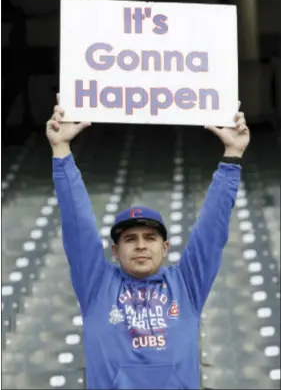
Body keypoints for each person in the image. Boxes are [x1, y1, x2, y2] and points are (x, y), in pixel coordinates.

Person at [46, 95, 250, 390]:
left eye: (150, 237)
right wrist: (61, 149)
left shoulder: (187, 285)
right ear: (115, 251)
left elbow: (212, 231)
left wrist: (232, 155)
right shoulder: (96, 285)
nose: (141, 245)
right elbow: (77, 223)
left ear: (165, 247)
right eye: (130, 239)